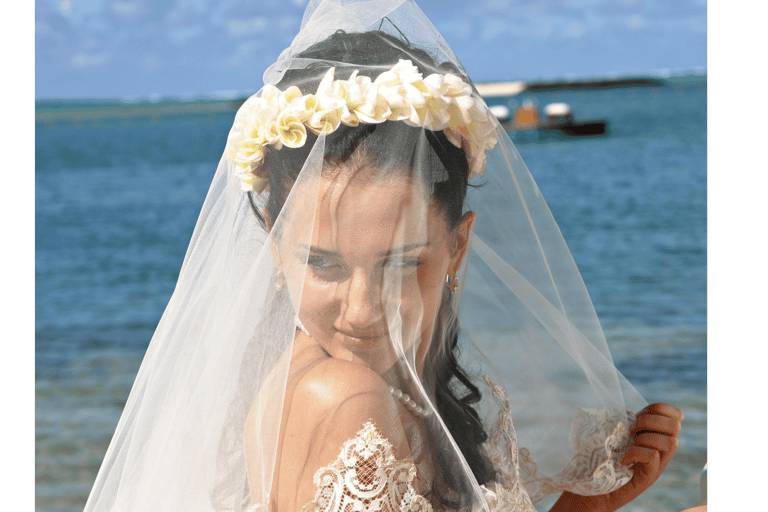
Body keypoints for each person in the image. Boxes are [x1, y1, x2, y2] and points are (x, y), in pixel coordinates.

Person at [83, 1, 682, 511]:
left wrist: (586, 504)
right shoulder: (348, 400)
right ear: (272, 243)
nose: (363, 309)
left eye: (399, 264)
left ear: (459, 246)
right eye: (325, 263)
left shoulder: (335, 380)